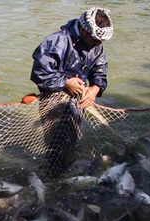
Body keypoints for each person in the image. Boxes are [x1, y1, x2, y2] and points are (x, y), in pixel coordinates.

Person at [30, 7, 113, 172]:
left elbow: (100, 70)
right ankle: (53, 174)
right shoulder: (57, 41)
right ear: (83, 30)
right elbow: (39, 73)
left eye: (100, 40)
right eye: (95, 39)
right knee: (55, 142)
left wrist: (95, 88)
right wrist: (65, 82)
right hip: (53, 101)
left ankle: (65, 167)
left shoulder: (96, 43)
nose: (99, 43)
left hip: (77, 100)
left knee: (71, 138)